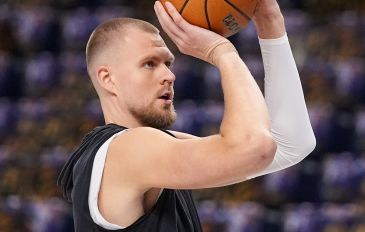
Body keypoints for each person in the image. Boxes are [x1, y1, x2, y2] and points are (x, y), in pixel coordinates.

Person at [58, 0, 316, 231]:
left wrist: (270, 22)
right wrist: (222, 52)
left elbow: (291, 145)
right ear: (108, 79)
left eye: (167, 63)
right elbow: (255, 146)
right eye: (149, 63)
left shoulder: (147, 149)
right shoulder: (125, 150)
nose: (169, 76)